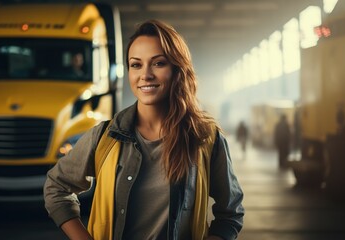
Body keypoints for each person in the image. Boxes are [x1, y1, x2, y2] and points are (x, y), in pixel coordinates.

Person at [44, 20, 244, 240]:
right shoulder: (105, 136)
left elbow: (230, 213)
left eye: (158, 63)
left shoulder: (205, 138)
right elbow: (56, 187)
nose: (145, 75)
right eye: (136, 65)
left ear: (178, 69)